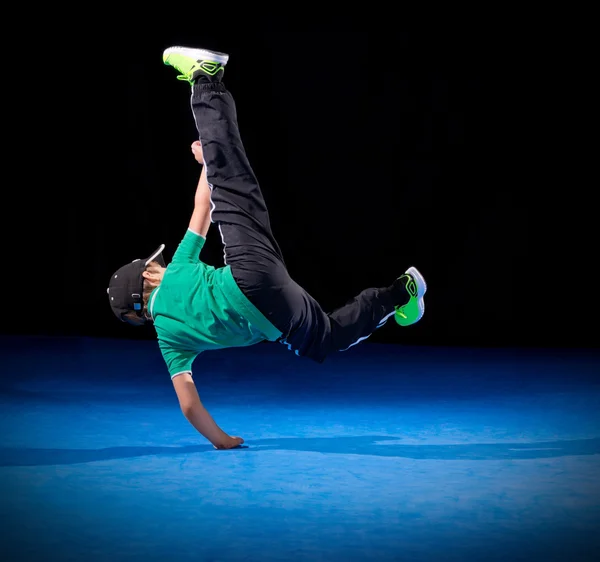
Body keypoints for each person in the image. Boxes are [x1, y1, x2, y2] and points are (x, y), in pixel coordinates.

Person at [107, 46, 427, 450]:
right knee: (235, 183)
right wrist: (208, 164)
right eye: (155, 265)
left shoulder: (169, 341)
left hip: (273, 316)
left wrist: (222, 440)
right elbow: (203, 208)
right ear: (148, 277)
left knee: (327, 336)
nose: (161, 264)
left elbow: (188, 404)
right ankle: (206, 79)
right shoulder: (178, 270)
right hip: (249, 270)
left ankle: (401, 294)